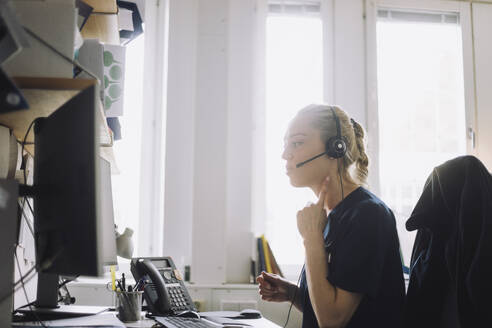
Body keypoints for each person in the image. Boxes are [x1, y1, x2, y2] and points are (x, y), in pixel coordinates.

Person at [257, 104, 405, 328]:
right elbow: (328, 306)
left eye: (296, 143)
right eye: (286, 145)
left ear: (336, 148)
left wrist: (311, 239)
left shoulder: (367, 215)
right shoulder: (327, 217)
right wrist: (292, 293)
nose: (285, 154)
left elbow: (333, 320)